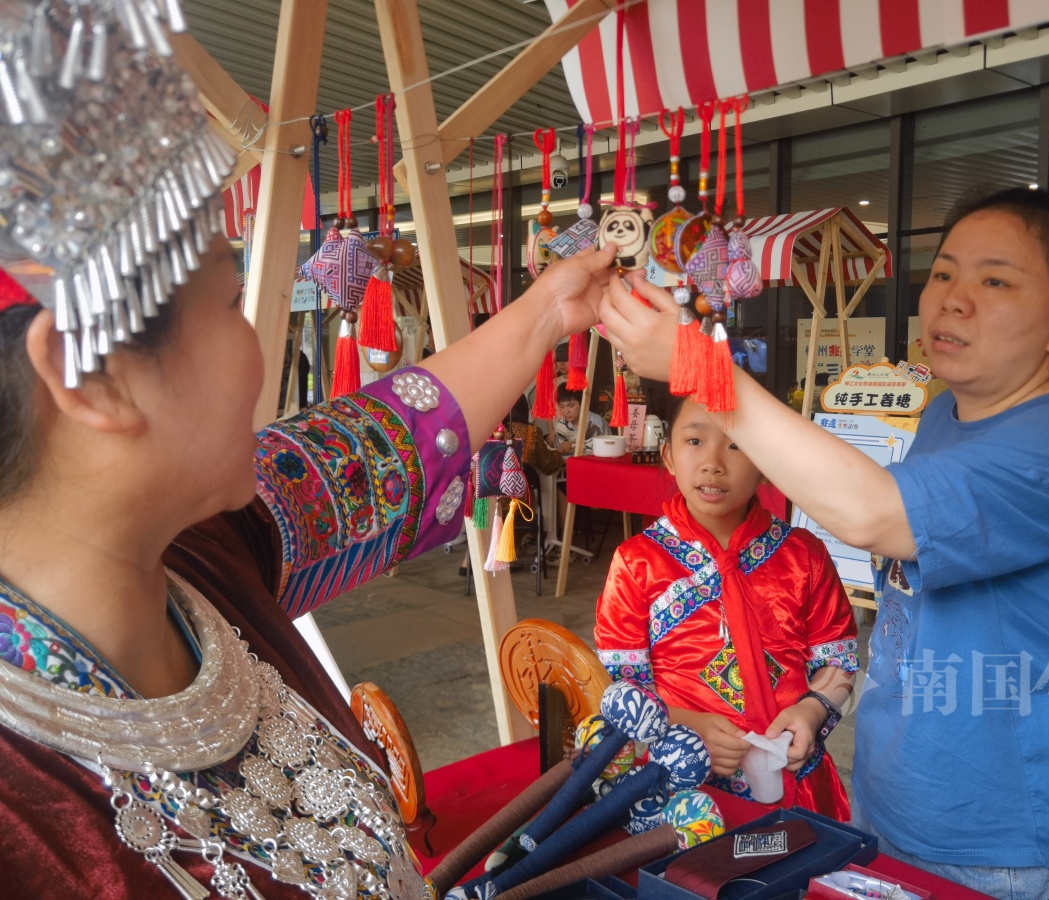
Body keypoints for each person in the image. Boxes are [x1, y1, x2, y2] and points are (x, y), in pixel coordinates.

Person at [0, 5, 615, 896]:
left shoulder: (208, 553)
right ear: (91, 379)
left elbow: (382, 443)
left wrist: (551, 311)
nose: (255, 343)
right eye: (225, 297)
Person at [602, 187, 1049, 899]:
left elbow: (869, 513)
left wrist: (701, 366)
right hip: (901, 809)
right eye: (944, 272)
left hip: (1013, 844)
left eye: (996, 280)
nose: (953, 299)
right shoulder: (947, 413)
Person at [594, 396, 857, 819]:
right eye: (695, 440)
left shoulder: (804, 556)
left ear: (765, 461)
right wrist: (690, 725)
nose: (713, 462)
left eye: (736, 445)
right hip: (684, 791)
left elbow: (839, 660)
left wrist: (811, 712)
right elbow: (622, 689)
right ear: (669, 456)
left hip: (798, 781)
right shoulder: (636, 563)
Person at [553, 384, 607, 455]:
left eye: (571, 406)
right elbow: (558, 456)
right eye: (562, 407)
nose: (566, 412)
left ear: (582, 403)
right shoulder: (561, 424)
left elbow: (605, 453)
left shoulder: (596, 424)